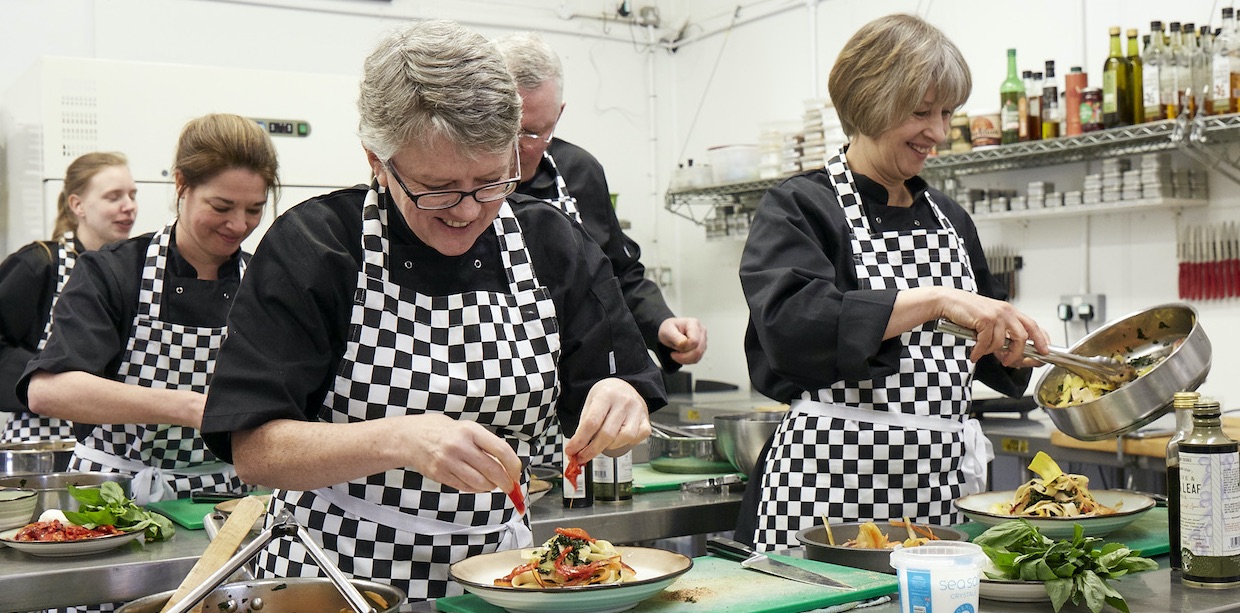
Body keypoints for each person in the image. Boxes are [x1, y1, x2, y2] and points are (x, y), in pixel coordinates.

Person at [198, 20, 665, 603]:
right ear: (376, 158)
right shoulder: (317, 248)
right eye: (437, 188)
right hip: (336, 573)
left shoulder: (551, 243)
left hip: (503, 575)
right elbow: (256, 452)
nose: (467, 211)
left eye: (492, 181)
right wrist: (399, 440)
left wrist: (623, 404)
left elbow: (621, 389)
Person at [736, 14, 1051, 551]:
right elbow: (792, 326)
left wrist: (1017, 346)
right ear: (870, 103)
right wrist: (935, 300)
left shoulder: (951, 218)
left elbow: (981, 333)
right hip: (830, 486)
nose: (938, 132)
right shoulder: (801, 206)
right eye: (920, 112)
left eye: (947, 112)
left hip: (936, 486)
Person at [20, 113, 279, 506]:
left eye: (254, 209)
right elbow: (48, 392)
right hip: (114, 499)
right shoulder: (114, 270)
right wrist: (192, 408)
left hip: (227, 503)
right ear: (181, 184)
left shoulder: (261, 281)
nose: (238, 224)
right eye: (222, 206)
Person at [496, 31, 705, 467]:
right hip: (491, 406)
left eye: (536, 133)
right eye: (506, 129)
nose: (519, 149)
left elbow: (618, 273)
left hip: (577, 409)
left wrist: (661, 324)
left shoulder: (580, 172)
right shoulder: (460, 181)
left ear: (559, 116)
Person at [1, 152, 138, 443]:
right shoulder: (39, 264)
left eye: (132, 195)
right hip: (42, 442)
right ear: (77, 205)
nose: (129, 207)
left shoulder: (136, 271)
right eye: (114, 197)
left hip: (113, 442)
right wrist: (51, 381)